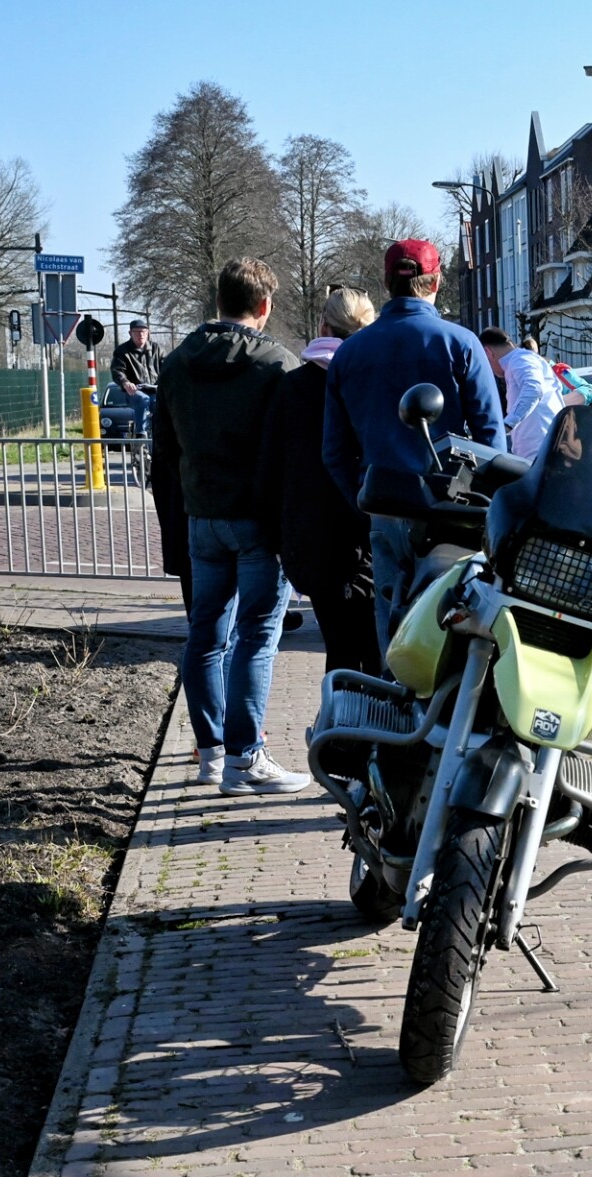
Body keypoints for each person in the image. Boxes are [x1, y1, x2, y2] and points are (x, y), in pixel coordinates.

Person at [151, 257, 309, 796]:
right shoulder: (277, 366)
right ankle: (248, 758)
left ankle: (211, 755)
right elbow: (292, 451)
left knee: (205, 635)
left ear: (219, 300)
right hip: (258, 524)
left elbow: (163, 453)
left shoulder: (174, 365)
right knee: (257, 637)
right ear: (263, 306)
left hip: (201, 519)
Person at [323, 239, 505, 656]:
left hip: (384, 506)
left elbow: (334, 451)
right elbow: (491, 439)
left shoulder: (349, 353)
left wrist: (363, 498)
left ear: (386, 284)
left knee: (394, 624)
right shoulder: (461, 344)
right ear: (436, 281)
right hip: (452, 511)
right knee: (454, 623)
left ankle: (398, 709)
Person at [257, 287, 381, 675]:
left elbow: (270, 467)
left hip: (311, 538)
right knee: (374, 650)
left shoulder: (292, 387)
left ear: (322, 325)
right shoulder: (374, 381)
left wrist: (276, 538)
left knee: (340, 648)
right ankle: (373, 731)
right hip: (368, 533)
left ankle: (341, 730)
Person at [478, 328, 564, 463]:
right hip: (541, 451)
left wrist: (507, 424)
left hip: (540, 453)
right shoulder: (520, 360)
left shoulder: (520, 360)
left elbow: (534, 389)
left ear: (488, 352)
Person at [109, 318, 162, 436]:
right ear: (130, 333)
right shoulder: (122, 351)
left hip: (154, 390)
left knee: (162, 403)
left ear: (148, 333)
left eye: (144, 331)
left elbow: (166, 366)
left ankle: (163, 436)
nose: (141, 334)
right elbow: (117, 370)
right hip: (134, 392)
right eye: (137, 331)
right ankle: (140, 435)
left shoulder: (156, 349)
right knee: (143, 399)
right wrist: (125, 382)